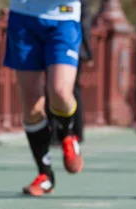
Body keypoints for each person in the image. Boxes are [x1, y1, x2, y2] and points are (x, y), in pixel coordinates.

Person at [4, 0, 84, 196]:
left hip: (63, 17)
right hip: (24, 16)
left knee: (60, 92)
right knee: (31, 104)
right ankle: (45, 174)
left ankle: (66, 132)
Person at [48, 0, 93, 145]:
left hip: (72, 47)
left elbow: (84, 25)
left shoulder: (79, 3)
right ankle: (64, 132)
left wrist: (87, 52)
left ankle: (72, 132)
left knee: (67, 89)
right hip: (63, 47)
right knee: (60, 88)